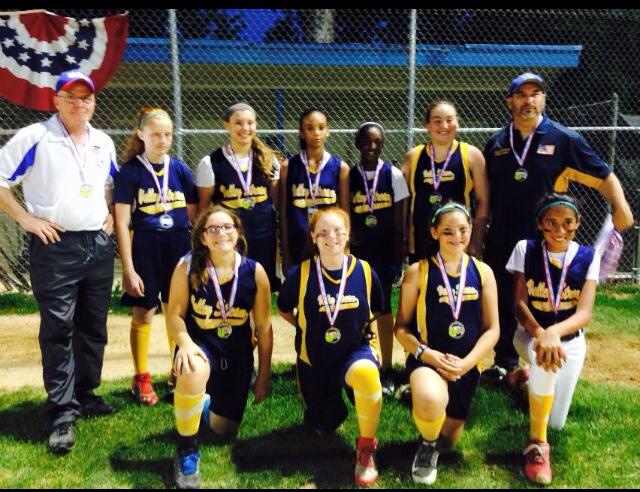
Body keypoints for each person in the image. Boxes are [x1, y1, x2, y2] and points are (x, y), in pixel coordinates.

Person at [482, 72, 634, 385]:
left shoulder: (564, 139)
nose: (528, 100)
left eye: (535, 93)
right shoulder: (496, 143)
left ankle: (553, 354)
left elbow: (603, 175)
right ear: (510, 101)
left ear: (544, 99)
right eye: (521, 94)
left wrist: (621, 207)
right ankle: (505, 364)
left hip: (544, 240)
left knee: (543, 300)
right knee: (503, 300)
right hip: (502, 238)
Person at [0, 71, 117, 454]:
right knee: (58, 328)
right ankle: (62, 412)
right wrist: (26, 219)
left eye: (86, 98)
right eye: (71, 97)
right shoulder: (35, 137)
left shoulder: (102, 141)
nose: (80, 104)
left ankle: (86, 393)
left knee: (93, 324)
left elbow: (107, 182)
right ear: (56, 101)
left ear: (94, 102)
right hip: (55, 245)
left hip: (96, 244)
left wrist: (109, 214)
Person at [165, 205, 273, 489]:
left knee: (223, 429)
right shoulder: (187, 267)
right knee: (192, 368)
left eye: (227, 227)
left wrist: (263, 376)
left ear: (238, 233)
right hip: (202, 345)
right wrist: (184, 344)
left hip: (237, 354)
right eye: (212, 229)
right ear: (202, 237)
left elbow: (264, 328)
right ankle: (187, 449)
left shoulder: (255, 272)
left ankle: (200, 403)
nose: (221, 233)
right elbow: (174, 315)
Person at [277, 207, 384, 487]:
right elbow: (284, 309)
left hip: (353, 352)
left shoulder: (365, 271)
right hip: (315, 358)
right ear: (313, 237)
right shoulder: (300, 274)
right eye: (322, 232)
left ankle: (366, 449)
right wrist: (304, 325)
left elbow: (377, 311)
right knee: (323, 427)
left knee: (366, 375)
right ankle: (326, 408)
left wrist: (373, 346)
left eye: (338, 231)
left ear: (348, 234)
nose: (331, 237)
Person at [394, 202, 499, 485]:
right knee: (431, 405)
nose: (456, 236)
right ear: (435, 232)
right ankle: (426, 444)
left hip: (466, 366)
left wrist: (466, 364)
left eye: (463, 229)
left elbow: (493, 330)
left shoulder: (484, 272)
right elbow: (401, 328)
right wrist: (427, 355)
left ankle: (424, 408)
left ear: (471, 230)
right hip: (429, 361)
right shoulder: (418, 271)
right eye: (448, 231)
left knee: (449, 441)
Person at [506, 193, 599, 485]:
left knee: (556, 421)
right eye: (551, 222)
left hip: (570, 341)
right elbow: (518, 304)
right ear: (539, 224)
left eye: (568, 222)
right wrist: (541, 334)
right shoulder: (526, 249)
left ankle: (523, 379)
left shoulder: (588, 256)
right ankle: (537, 444)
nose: (560, 229)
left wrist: (554, 333)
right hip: (529, 336)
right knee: (545, 359)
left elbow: (584, 313)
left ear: (578, 222)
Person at [113, 107, 197, 405]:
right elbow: (122, 222)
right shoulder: (130, 172)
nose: (162, 140)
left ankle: (177, 371)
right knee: (144, 311)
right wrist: (128, 268)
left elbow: (192, 214)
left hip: (178, 247)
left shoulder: (181, 169)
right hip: (146, 247)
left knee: (176, 309)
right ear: (141, 134)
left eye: (167, 134)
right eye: (155, 134)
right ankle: (141, 377)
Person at [194, 103, 282, 292]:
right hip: (227, 239)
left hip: (264, 237)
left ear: (256, 125)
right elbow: (203, 210)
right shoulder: (210, 163)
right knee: (232, 289)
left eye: (250, 123)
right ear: (227, 125)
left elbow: (277, 203)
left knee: (262, 289)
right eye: (238, 123)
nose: (245, 128)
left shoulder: (269, 160)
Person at [349, 121, 409, 396]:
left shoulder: (393, 174)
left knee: (383, 309)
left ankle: (386, 366)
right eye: (366, 141)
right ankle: (358, 361)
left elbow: (400, 217)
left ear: (383, 144)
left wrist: (399, 252)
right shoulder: (350, 176)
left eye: (377, 142)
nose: (371, 146)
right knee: (358, 307)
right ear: (357, 143)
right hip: (359, 253)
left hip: (384, 252)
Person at [401, 100, 489, 263]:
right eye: (437, 121)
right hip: (421, 241)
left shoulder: (472, 155)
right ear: (427, 125)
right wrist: (403, 238)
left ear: (457, 122)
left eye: (449, 120)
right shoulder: (413, 156)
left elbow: (483, 201)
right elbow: (404, 202)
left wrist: (476, 241)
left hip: (458, 242)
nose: (444, 126)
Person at [279, 108, 350, 274]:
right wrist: (285, 252)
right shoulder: (288, 167)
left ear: (327, 131)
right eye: (310, 128)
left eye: (321, 127)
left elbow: (345, 213)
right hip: (297, 243)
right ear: (301, 133)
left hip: (329, 243)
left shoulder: (340, 168)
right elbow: (284, 213)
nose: (316, 133)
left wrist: (346, 247)